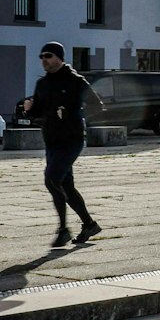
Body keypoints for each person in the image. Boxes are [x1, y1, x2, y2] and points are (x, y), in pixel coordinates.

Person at [21, 42, 103, 246]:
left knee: (51, 179)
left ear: (59, 57)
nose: (44, 60)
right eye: (41, 57)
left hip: (72, 139)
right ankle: (89, 224)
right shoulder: (42, 84)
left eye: (48, 56)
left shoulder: (75, 81)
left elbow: (97, 106)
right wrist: (29, 109)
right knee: (66, 185)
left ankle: (63, 229)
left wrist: (74, 116)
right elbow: (38, 112)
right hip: (51, 140)